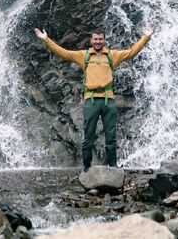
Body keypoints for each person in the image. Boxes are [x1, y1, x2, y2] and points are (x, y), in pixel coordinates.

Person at [34, 27, 153, 171]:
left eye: (100, 39)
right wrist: (46, 39)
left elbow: (131, 52)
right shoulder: (84, 56)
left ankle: (113, 167)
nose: (98, 41)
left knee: (111, 136)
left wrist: (145, 37)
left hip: (109, 100)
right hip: (91, 101)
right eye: (95, 39)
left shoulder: (112, 55)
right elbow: (64, 53)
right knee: (88, 136)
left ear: (104, 40)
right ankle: (87, 167)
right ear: (91, 40)